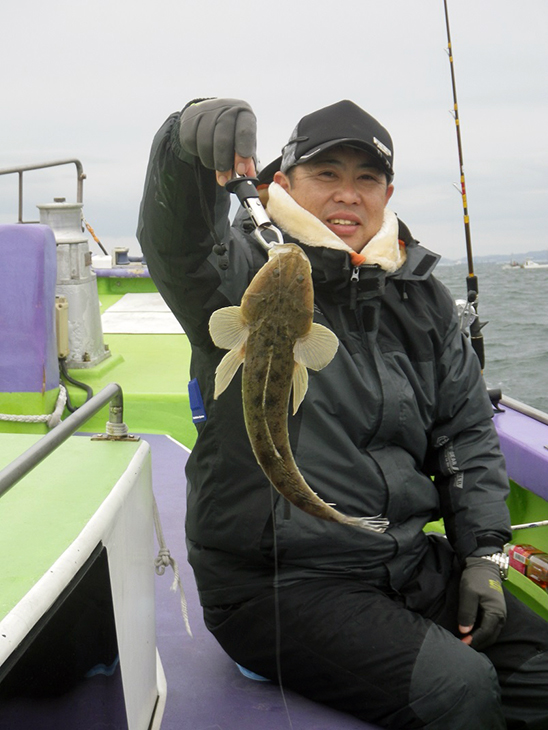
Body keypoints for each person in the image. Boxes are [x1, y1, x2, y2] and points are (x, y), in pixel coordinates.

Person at [137, 98, 548, 729]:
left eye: (366, 178)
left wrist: (483, 556)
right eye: (326, 174)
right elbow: (178, 244)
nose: (347, 194)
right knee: (457, 690)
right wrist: (181, 148)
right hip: (277, 582)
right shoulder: (243, 266)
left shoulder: (423, 298)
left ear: (388, 194)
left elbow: (465, 432)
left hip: (402, 558)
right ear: (283, 181)